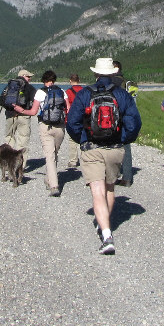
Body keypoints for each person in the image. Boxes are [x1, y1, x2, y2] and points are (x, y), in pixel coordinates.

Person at [67, 58, 142, 255]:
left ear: (96, 73)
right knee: (109, 188)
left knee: (97, 191)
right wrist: (123, 139)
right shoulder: (122, 94)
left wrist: (83, 139)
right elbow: (135, 123)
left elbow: (72, 122)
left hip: (92, 148)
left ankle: (107, 235)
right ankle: (105, 224)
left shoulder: (85, 93)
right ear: (113, 73)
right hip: (115, 148)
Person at [15, 70, 67, 197]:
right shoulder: (62, 91)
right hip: (60, 127)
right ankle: (49, 179)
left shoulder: (40, 92)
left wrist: (20, 110)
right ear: (54, 80)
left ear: (44, 80)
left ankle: (54, 186)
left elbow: (33, 112)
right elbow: (68, 109)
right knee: (54, 154)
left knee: (49, 156)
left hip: (46, 126)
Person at [3, 69, 37, 170]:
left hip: (10, 115)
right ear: (24, 76)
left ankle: (8, 163)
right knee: (23, 140)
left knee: (9, 138)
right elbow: (35, 102)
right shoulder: (30, 88)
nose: (30, 79)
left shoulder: (10, 85)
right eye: (28, 77)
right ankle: (20, 166)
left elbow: (2, 100)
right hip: (24, 116)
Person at [111, 60, 134, 187]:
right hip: (127, 116)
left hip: (114, 116)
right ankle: (127, 177)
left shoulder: (113, 82)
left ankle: (112, 175)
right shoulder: (125, 81)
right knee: (126, 146)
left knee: (110, 144)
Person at [64, 73, 84, 168]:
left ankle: (73, 160)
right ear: (79, 81)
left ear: (70, 81)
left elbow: (65, 106)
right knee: (84, 137)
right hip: (83, 117)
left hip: (71, 117)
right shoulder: (84, 91)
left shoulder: (67, 92)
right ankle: (85, 158)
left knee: (72, 139)